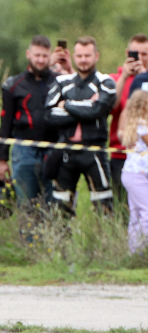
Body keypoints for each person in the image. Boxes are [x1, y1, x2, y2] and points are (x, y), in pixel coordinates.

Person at [45, 36, 116, 215]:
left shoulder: (106, 82)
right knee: (60, 208)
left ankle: (103, 235)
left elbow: (97, 110)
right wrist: (86, 109)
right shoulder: (62, 81)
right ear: (74, 57)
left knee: (104, 206)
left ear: (96, 56)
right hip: (66, 150)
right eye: (79, 56)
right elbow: (49, 115)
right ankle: (59, 235)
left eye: (87, 55)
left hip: (95, 150)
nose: (83, 60)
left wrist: (66, 104)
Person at [0, 35, 58, 203]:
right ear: (28, 54)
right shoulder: (13, 85)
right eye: (37, 55)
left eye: (45, 56)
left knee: (55, 206)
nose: (40, 60)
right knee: (26, 205)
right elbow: (5, 123)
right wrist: (2, 159)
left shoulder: (60, 82)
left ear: (50, 56)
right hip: (24, 151)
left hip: (54, 150)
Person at [110, 34, 148, 196]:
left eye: (144, 54)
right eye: (135, 54)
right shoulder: (115, 78)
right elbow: (112, 107)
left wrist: (144, 77)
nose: (139, 58)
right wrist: (124, 77)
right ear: (127, 53)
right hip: (120, 151)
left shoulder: (145, 79)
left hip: (144, 154)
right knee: (122, 204)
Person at [119, 90, 148, 254]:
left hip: (131, 173)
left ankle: (135, 251)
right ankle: (143, 248)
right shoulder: (143, 125)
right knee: (146, 212)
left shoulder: (132, 125)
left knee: (136, 214)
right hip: (139, 174)